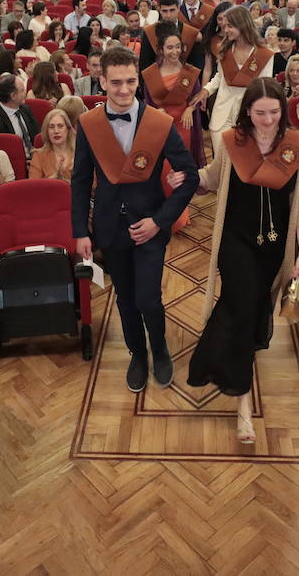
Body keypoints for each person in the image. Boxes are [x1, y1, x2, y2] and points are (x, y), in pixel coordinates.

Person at [183, 79, 299, 443]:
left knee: (248, 310)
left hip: (273, 248)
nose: (268, 120)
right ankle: (243, 405)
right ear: (247, 111)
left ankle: (211, 363)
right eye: (260, 113)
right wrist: (185, 177)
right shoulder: (231, 142)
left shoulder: (297, 149)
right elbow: (209, 179)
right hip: (235, 241)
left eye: (274, 112)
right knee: (241, 306)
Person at [71, 47, 199, 394]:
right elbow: (80, 179)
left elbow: (189, 175)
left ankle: (159, 349)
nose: (124, 90)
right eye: (115, 83)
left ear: (137, 80)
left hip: (150, 227)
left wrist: (160, 221)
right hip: (111, 228)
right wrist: (80, 230)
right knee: (125, 299)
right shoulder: (89, 124)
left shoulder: (158, 123)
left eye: (130, 82)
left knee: (148, 299)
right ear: (102, 81)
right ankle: (137, 354)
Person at [202, 6, 274, 160]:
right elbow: (219, 78)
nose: (225, 29)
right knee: (220, 162)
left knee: (243, 164)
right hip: (221, 114)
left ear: (242, 25)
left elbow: (264, 88)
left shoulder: (264, 54)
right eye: (224, 25)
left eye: (229, 26)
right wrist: (206, 90)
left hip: (249, 117)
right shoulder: (223, 49)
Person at [141, 25, 205, 165]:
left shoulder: (189, 71)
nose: (175, 51)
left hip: (184, 123)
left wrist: (190, 109)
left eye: (178, 47)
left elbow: (197, 98)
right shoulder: (151, 74)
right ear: (161, 50)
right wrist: (157, 111)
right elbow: (147, 102)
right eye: (169, 48)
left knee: (183, 163)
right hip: (161, 124)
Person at [0, 73, 39, 159]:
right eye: (22, 90)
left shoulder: (26, 110)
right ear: (13, 96)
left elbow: (37, 135)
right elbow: (4, 155)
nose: (25, 93)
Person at [28, 108, 76, 181]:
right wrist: (55, 176)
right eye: (51, 127)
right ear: (46, 131)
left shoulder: (79, 154)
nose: (56, 131)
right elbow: (33, 187)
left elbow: (93, 185)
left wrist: (76, 174)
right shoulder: (38, 156)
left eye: (60, 126)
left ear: (68, 129)